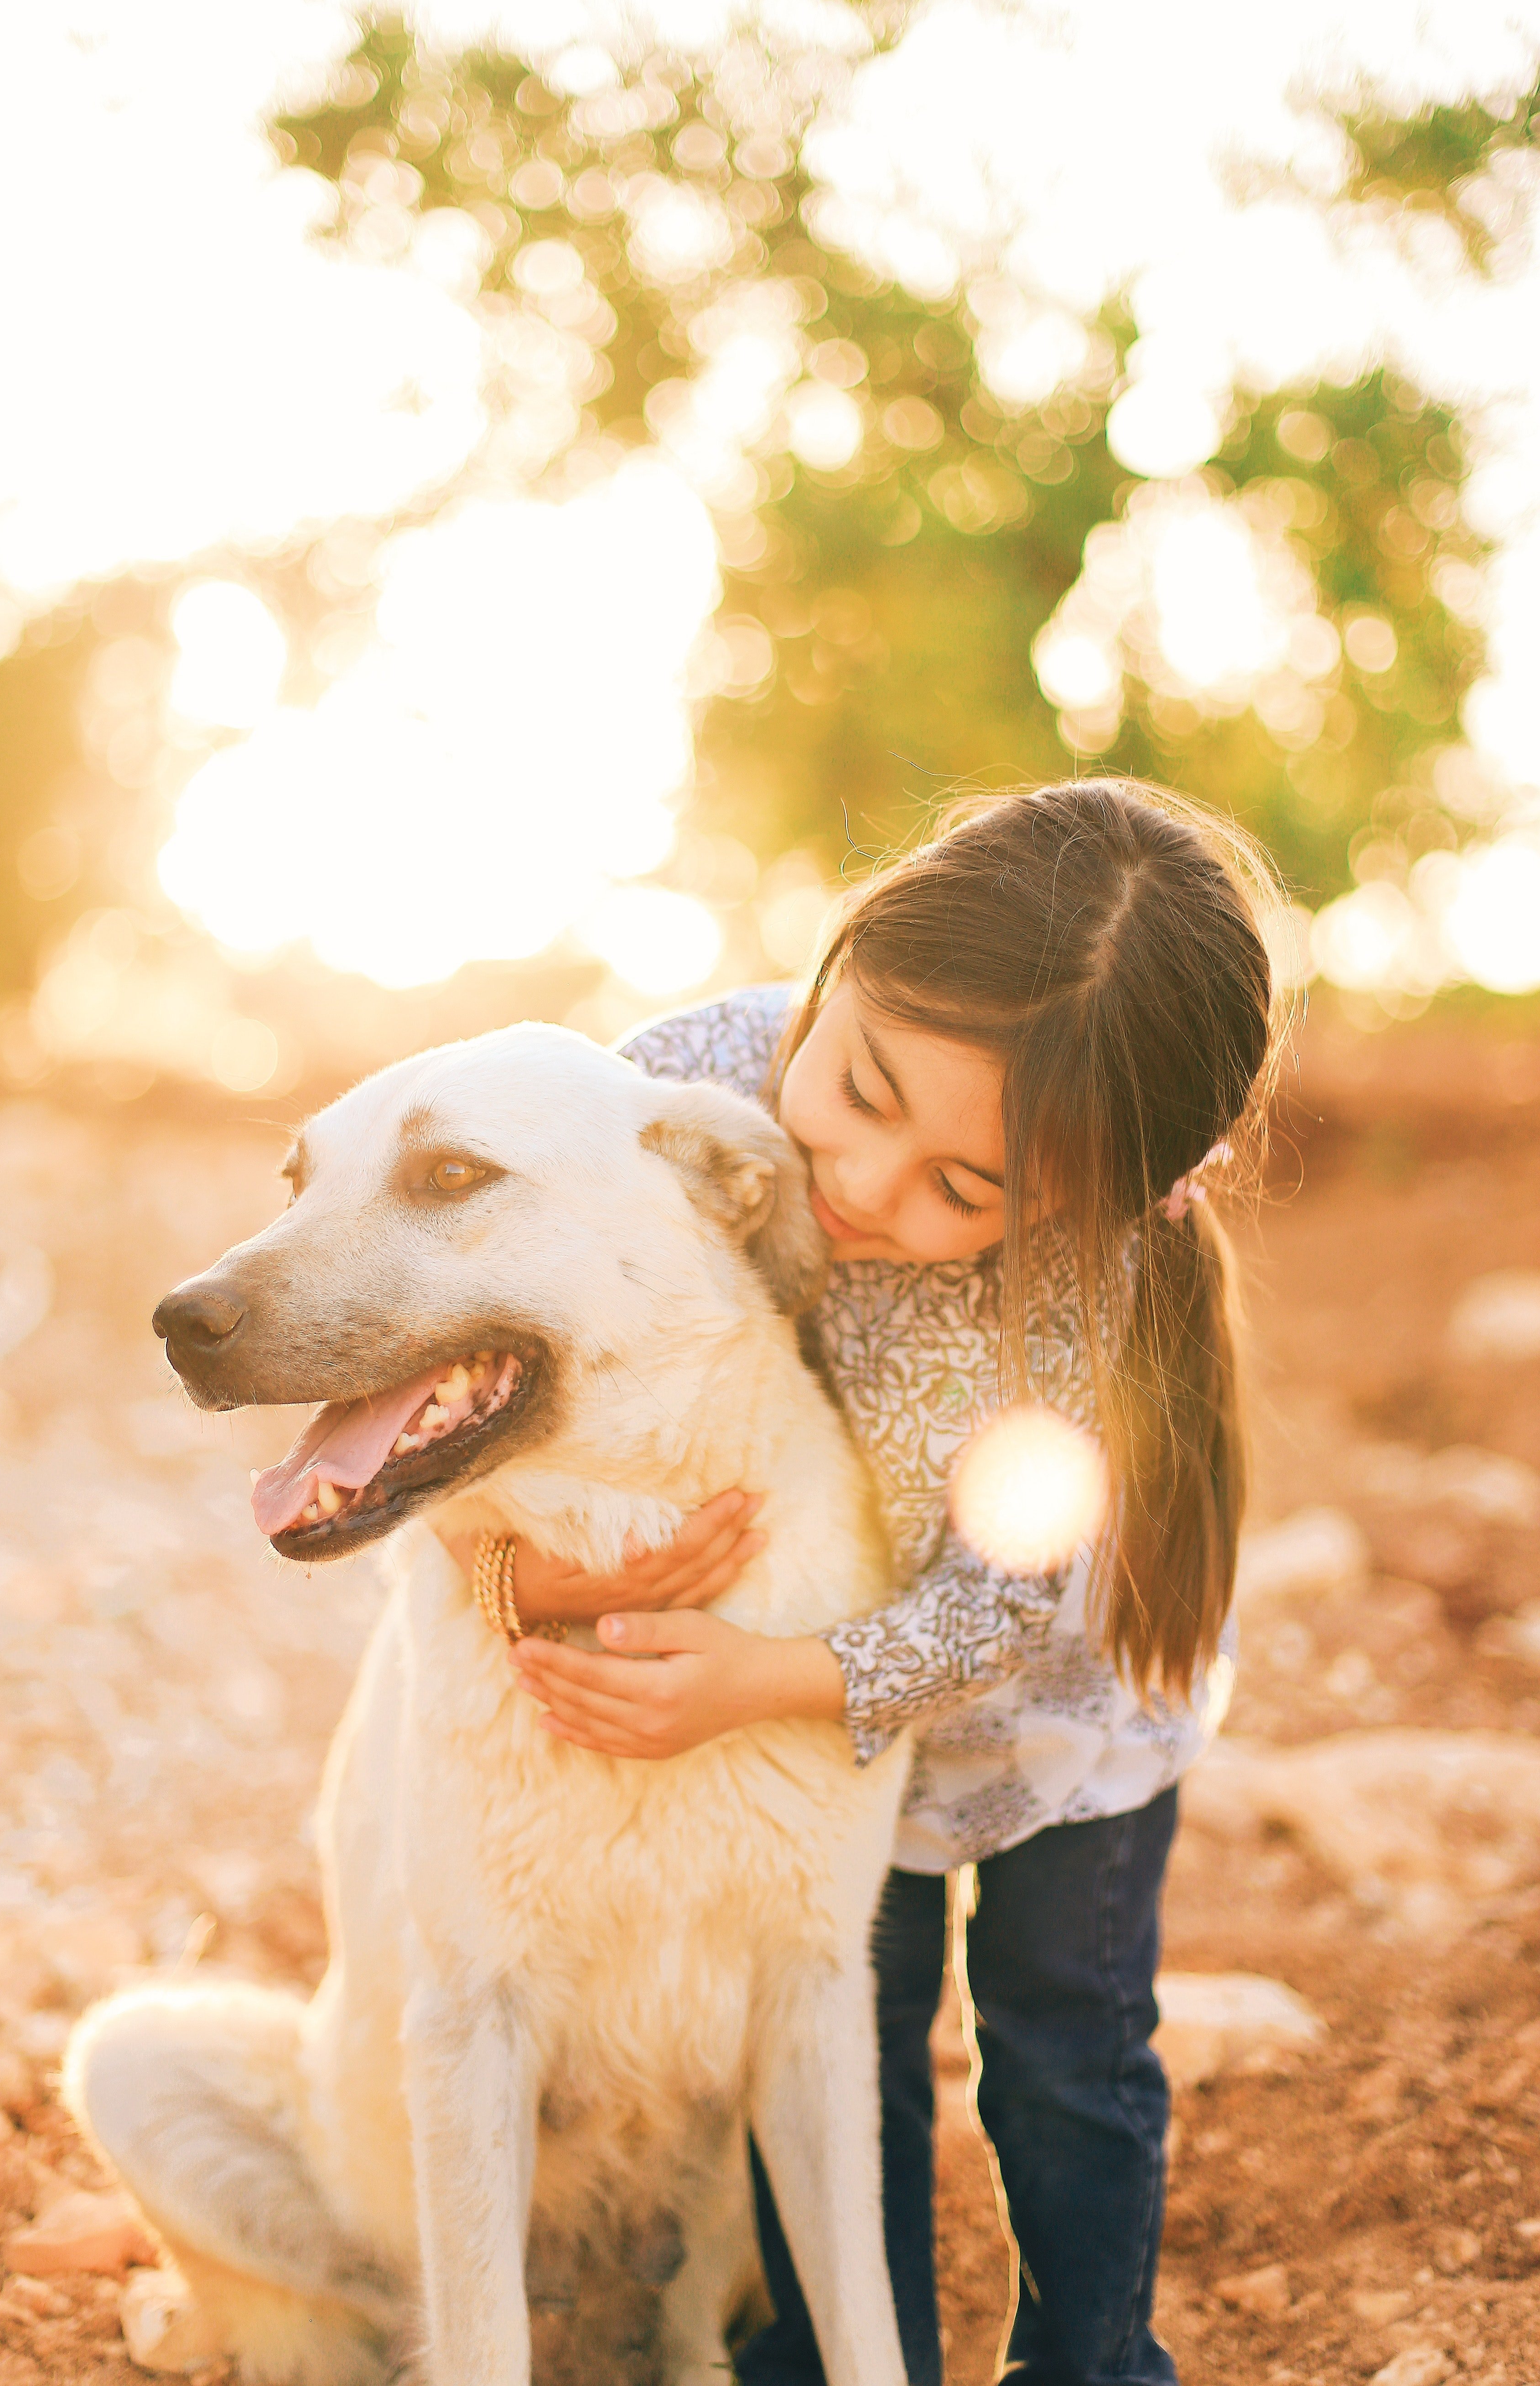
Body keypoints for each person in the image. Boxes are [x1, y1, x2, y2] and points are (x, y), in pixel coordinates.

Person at [475, 780, 1284, 2386]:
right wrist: (520, 1568)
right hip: (813, 1735)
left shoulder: (1080, 1293)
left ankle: (1092, 2359)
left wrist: (752, 1681)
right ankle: (854, 2357)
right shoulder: (674, 1098)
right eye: (859, 1086)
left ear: (1097, 1205)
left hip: (1046, 1720)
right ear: (850, 948)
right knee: (836, 2036)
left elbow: (999, 1612)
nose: (863, 1182)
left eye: (966, 1192)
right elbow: (512, 1358)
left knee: (1064, 2041)